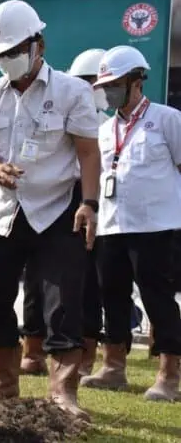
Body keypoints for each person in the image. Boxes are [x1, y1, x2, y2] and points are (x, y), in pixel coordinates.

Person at [0, 0, 100, 420]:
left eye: (13, 51)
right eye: (0, 55)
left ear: (37, 44)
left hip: (58, 209)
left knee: (63, 300)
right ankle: (3, 381)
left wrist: (89, 204)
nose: (6, 60)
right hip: (3, 212)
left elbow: (88, 154)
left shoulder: (71, 92)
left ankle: (63, 391)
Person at [81, 45, 181, 402]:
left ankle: (169, 375)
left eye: (115, 83)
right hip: (111, 225)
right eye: (105, 84)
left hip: (156, 226)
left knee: (158, 298)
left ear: (137, 81)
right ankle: (113, 367)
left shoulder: (168, 119)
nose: (108, 90)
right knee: (113, 297)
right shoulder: (105, 130)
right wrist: (90, 212)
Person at [19, 48, 109, 378]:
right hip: (57, 205)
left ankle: (85, 353)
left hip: (97, 210)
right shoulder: (62, 107)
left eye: (100, 84)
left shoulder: (110, 125)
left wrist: (92, 203)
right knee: (36, 281)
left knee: (84, 286)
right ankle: (33, 347)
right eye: (90, 82)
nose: (95, 89)